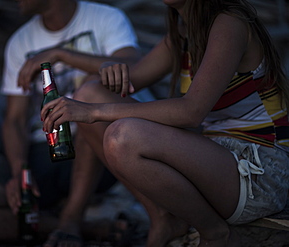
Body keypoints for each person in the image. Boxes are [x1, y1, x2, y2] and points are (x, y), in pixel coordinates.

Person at [40, 0, 289, 246]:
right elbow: (127, 80)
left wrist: (93, 112)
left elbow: (191, 112)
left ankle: (215, 233)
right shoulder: (182, 32)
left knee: (123, 136)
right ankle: (163, 217)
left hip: (259, 168)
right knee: (88, 93)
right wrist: (105, 68)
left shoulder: (229, 23)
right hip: (217, 159)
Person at [0, 0, 152, 244]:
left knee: (88, 89)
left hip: (99, 151)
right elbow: (15, 120)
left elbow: (134, 66)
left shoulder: (106, 18)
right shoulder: (20, 42)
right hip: (42, 150)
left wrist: (60, 54)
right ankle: (85, 228)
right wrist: (19, 170)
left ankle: (71, 218)